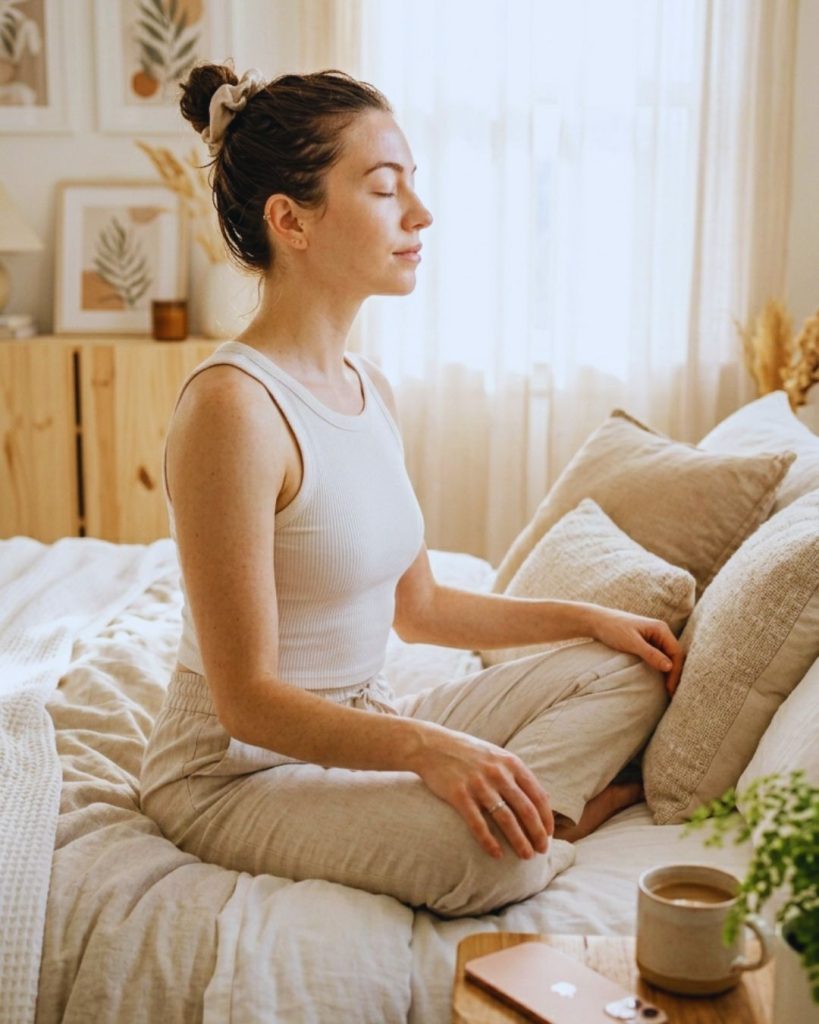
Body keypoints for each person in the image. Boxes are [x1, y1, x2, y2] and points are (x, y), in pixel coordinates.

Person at [139, 65, 684, 919]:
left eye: (412, 186)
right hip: (238, 771)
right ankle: (559, 820)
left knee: (628, 671)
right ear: (290, 220)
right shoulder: (231, 409)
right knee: (484, 862)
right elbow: (245, 703)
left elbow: (419, 609)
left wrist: (587, 619)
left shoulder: (370, 387)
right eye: (385, 189)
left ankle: (532, 816)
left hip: (364, 721)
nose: (420, 215)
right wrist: (427, 749)